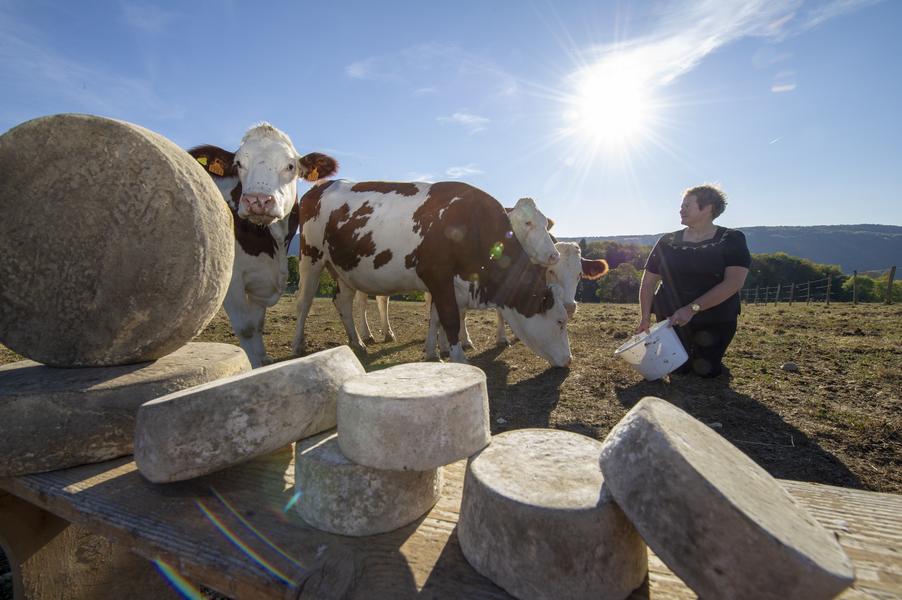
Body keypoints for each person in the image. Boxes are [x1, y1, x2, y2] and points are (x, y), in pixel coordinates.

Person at [637, 184, 751, 378]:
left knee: (705, 371)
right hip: (671, 319)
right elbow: (648, 283)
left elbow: (733, 283)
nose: (680, 210)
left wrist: (691, 309)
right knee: (677, 369)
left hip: (715, 318)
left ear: (707, 208)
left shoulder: (732, 239)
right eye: (682, 205)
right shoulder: (667, 241)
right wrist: (645, 317)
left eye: (687, 205)